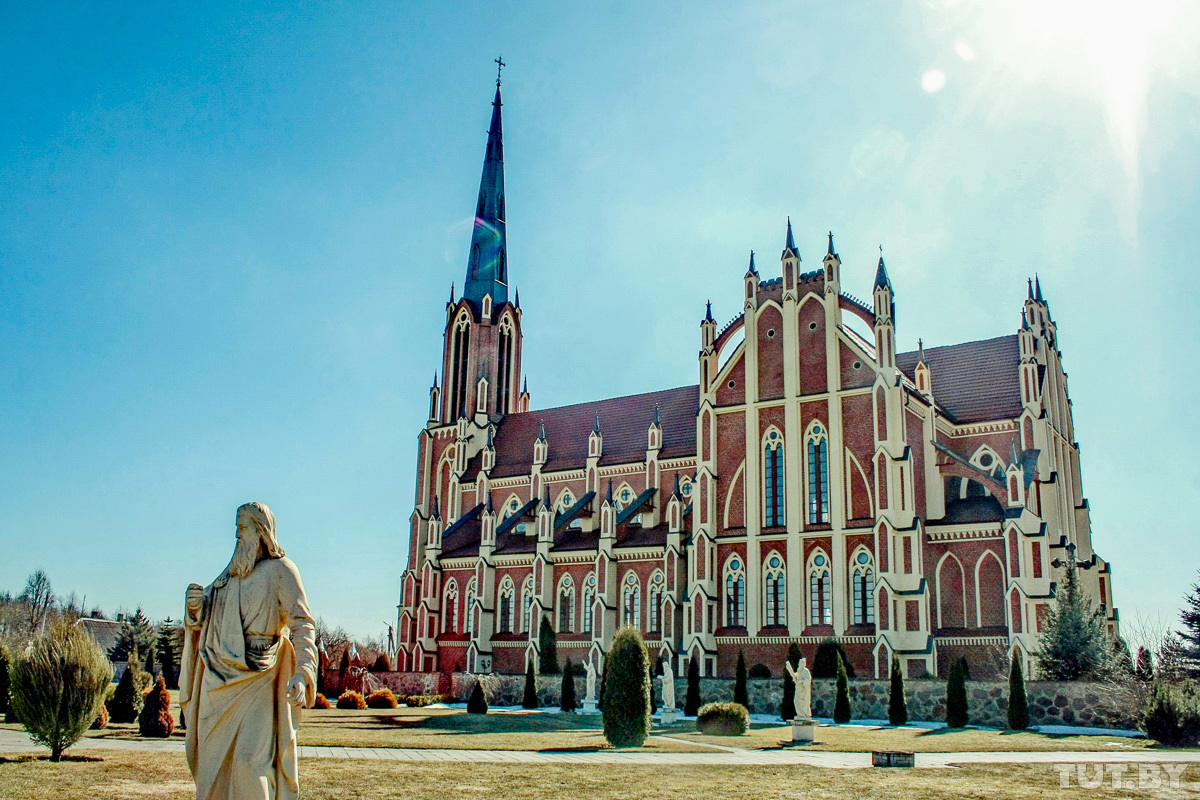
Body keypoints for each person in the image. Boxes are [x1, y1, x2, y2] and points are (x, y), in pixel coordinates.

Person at [180, 502, 318, 799]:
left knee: (249, 762)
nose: (236, 536)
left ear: (260, 530)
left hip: (260, 679)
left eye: (242, 528)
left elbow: (303, 624)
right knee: (210, 768)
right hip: (218, 681)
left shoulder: (282, 571)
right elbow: (204, 613)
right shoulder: (229, 578)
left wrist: (302, 672)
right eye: (236, 529)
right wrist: (195, 607)